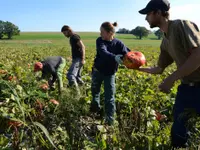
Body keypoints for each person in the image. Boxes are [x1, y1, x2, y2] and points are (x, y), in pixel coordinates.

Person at [138, 0, 200, 148]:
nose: (146, 18)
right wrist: (137, 67)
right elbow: (159, 68)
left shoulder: (181, 26)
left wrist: (171, 79)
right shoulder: (165, 41)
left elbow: (198, 55)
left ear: (158, 13)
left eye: (148, 14)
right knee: (178, 132)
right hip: (187, 89)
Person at [90, 21, 130, 126]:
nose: (100, 34)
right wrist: (115, 57)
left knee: (110, 97)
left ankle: (110, 121)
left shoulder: (119, 43)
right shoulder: (100, 41)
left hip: (110, 74)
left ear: (110, 33)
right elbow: (103, 52)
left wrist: (132, 59)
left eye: (102, 32)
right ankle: (95, 112)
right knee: (95, 93)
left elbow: (127, 54)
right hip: (97, 71)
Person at [61, 25, 85, 92]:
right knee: (77, 77)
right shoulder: (72, 37)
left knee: (70, 75)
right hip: (77, 59)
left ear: (68, 30)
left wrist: (82, 59)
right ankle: (84, 90)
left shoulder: (75, 37)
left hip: (78, 59)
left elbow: (82, 47)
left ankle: (77, 94)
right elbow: (77, 49)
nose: (64, 35)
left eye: (64, 33)